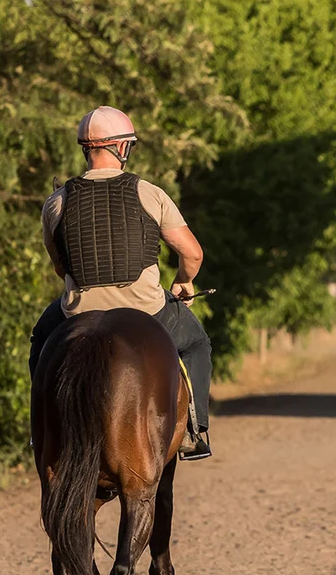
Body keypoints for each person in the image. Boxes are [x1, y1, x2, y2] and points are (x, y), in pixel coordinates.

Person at [28, 106, 213, 461]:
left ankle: (42, 430)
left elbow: (59, 265)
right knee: (197, 344)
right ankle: (195, 431)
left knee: (41, 342)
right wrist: (183, 283)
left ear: (87, 148)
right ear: (122, 148)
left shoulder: (57, 202)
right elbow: (192, 254)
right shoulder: (149, 193)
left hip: (78, 309)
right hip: (145, 306)